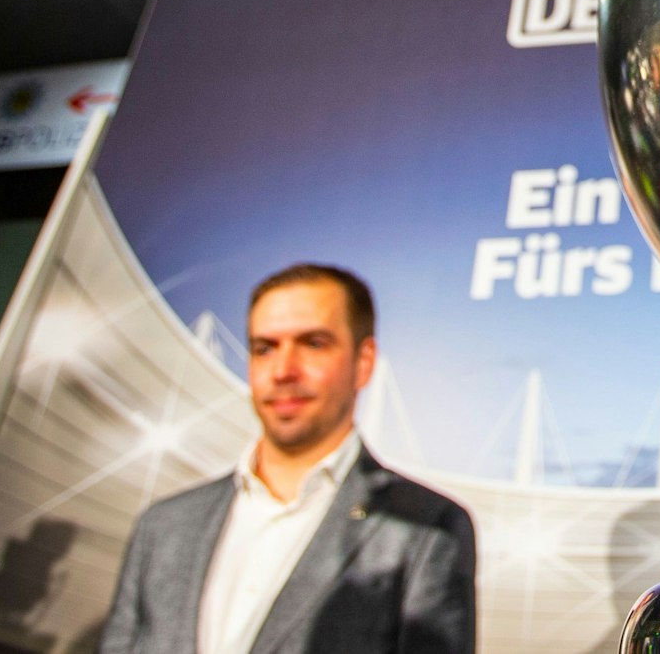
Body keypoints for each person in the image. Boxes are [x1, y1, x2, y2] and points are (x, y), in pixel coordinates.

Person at [100, 264, 476, 653]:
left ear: (363, 362)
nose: (283, 371)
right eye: (265, 348)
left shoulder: (427, 530)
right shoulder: (163, 526)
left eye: (313, 344)